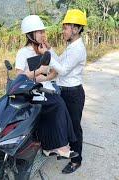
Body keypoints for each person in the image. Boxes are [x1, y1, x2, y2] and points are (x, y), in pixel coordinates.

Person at [15, 15, 78, 159]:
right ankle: (58, 145)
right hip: (31, 91)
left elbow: (56, 71)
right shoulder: (23, 52)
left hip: (46, 88)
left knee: (60, 103)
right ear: (31, 34)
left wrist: (46, 75)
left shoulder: (45, 50)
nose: (44, 35)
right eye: (40, 32)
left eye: (44, 32)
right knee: (57, 104)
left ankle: (54, 145)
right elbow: (19, 76)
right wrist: (39, 71)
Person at [39, 9, 87, 174]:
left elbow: (63, 70)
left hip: (73, 94)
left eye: (66, 28)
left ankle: (76, 160)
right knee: (64, 124)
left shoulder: (78, 49)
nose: (63, 31)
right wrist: (50, 50)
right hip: (64, 91)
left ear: (76, 29)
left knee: (74, 127)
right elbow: (59, 62)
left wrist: (47, 55)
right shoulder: (71, 46)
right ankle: (64, 149)